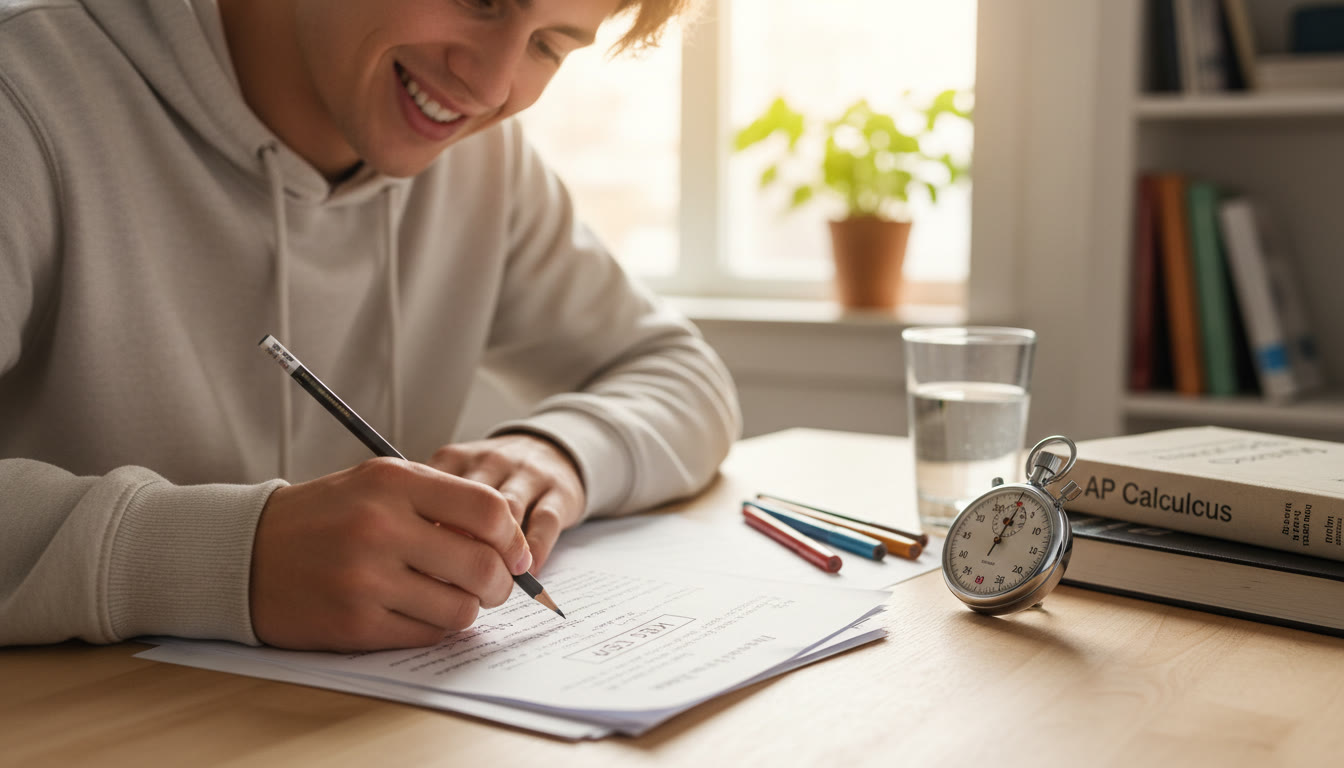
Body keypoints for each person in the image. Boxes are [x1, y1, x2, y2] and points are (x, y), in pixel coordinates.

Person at [0, 0, 740, 652]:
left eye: (549, 44)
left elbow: (682, 374)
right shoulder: (24, 92)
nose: (490, 87)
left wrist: (559, 453)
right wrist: (232, 557)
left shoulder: (483, 162)